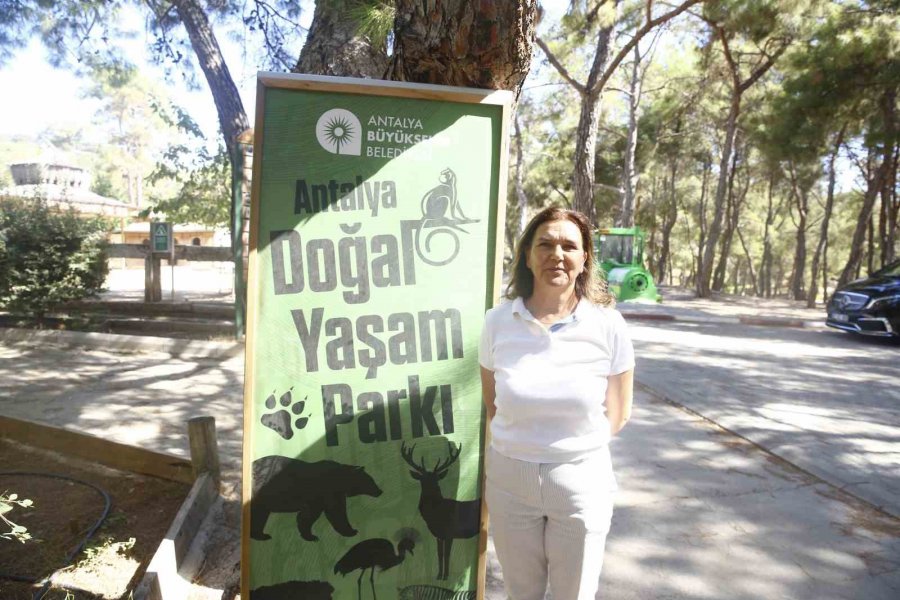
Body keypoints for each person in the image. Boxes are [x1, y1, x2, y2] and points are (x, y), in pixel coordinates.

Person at [479, 207, 635, 600]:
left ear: (584, 259)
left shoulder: (608, 325)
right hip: (510, 483)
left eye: (569, 245)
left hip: (581, 483)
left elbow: (618, 413)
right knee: (521, 593)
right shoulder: (497, 322)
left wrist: (565, 450)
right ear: (527, 255)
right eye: (545, 244)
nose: (557, 254)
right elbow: (493, 404)